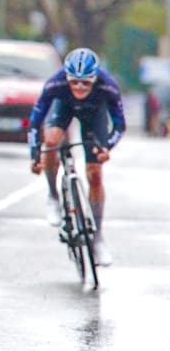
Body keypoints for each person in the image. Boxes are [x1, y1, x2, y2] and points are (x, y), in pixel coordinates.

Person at [27, 47, 124, 266]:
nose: (79, 87)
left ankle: (97, 236)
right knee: (51, 141)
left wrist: (107, 146)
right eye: (74, 82)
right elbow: (35, 122)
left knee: (95, 174)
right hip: (63, 108)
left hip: (94, 115)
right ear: (67, 78)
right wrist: (35, 154)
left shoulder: (107, 86)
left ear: (95, 79)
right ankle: (53, 195)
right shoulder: (56, 83)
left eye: (86, 83)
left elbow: (119, 124)